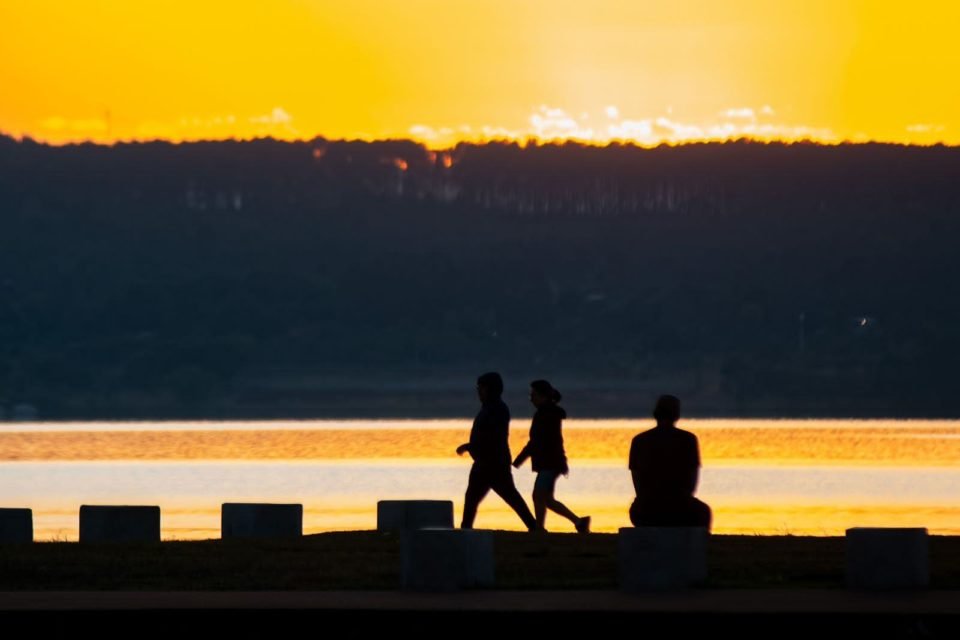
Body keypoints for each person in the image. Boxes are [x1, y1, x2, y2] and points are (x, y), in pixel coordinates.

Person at [456, 372, 538, 531]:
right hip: (485, 461)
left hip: (493, 462)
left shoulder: (497, 409)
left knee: (509, 496)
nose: (479, 391)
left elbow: (492, 437)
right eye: (478, 388)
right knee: (476, 497)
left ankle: (533, 526)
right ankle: (465, 528)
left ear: (491, 389)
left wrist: (469, 447)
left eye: (482, 388)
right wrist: (471, 447)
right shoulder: (489, 407)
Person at [513, 380, 591, 533]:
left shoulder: (545, 414)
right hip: (553, 463)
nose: (531, 399)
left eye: (533, 395)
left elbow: (535, 442)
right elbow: (536, 442)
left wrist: (518, 460)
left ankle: (539, 528)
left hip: (550, 463)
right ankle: (579, 522)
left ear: (543, 397)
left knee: (538, 495)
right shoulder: (548, 413)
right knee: (547, 499)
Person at [628, 394, 711, 529]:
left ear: (655, 414)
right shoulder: (688, 440)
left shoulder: (639, 440)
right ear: (677, 415)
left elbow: (637, 483)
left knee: (639, 510)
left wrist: (647, 500)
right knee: (704, 512)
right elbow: (692, 483)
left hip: (645, 511)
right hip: (680, 509)